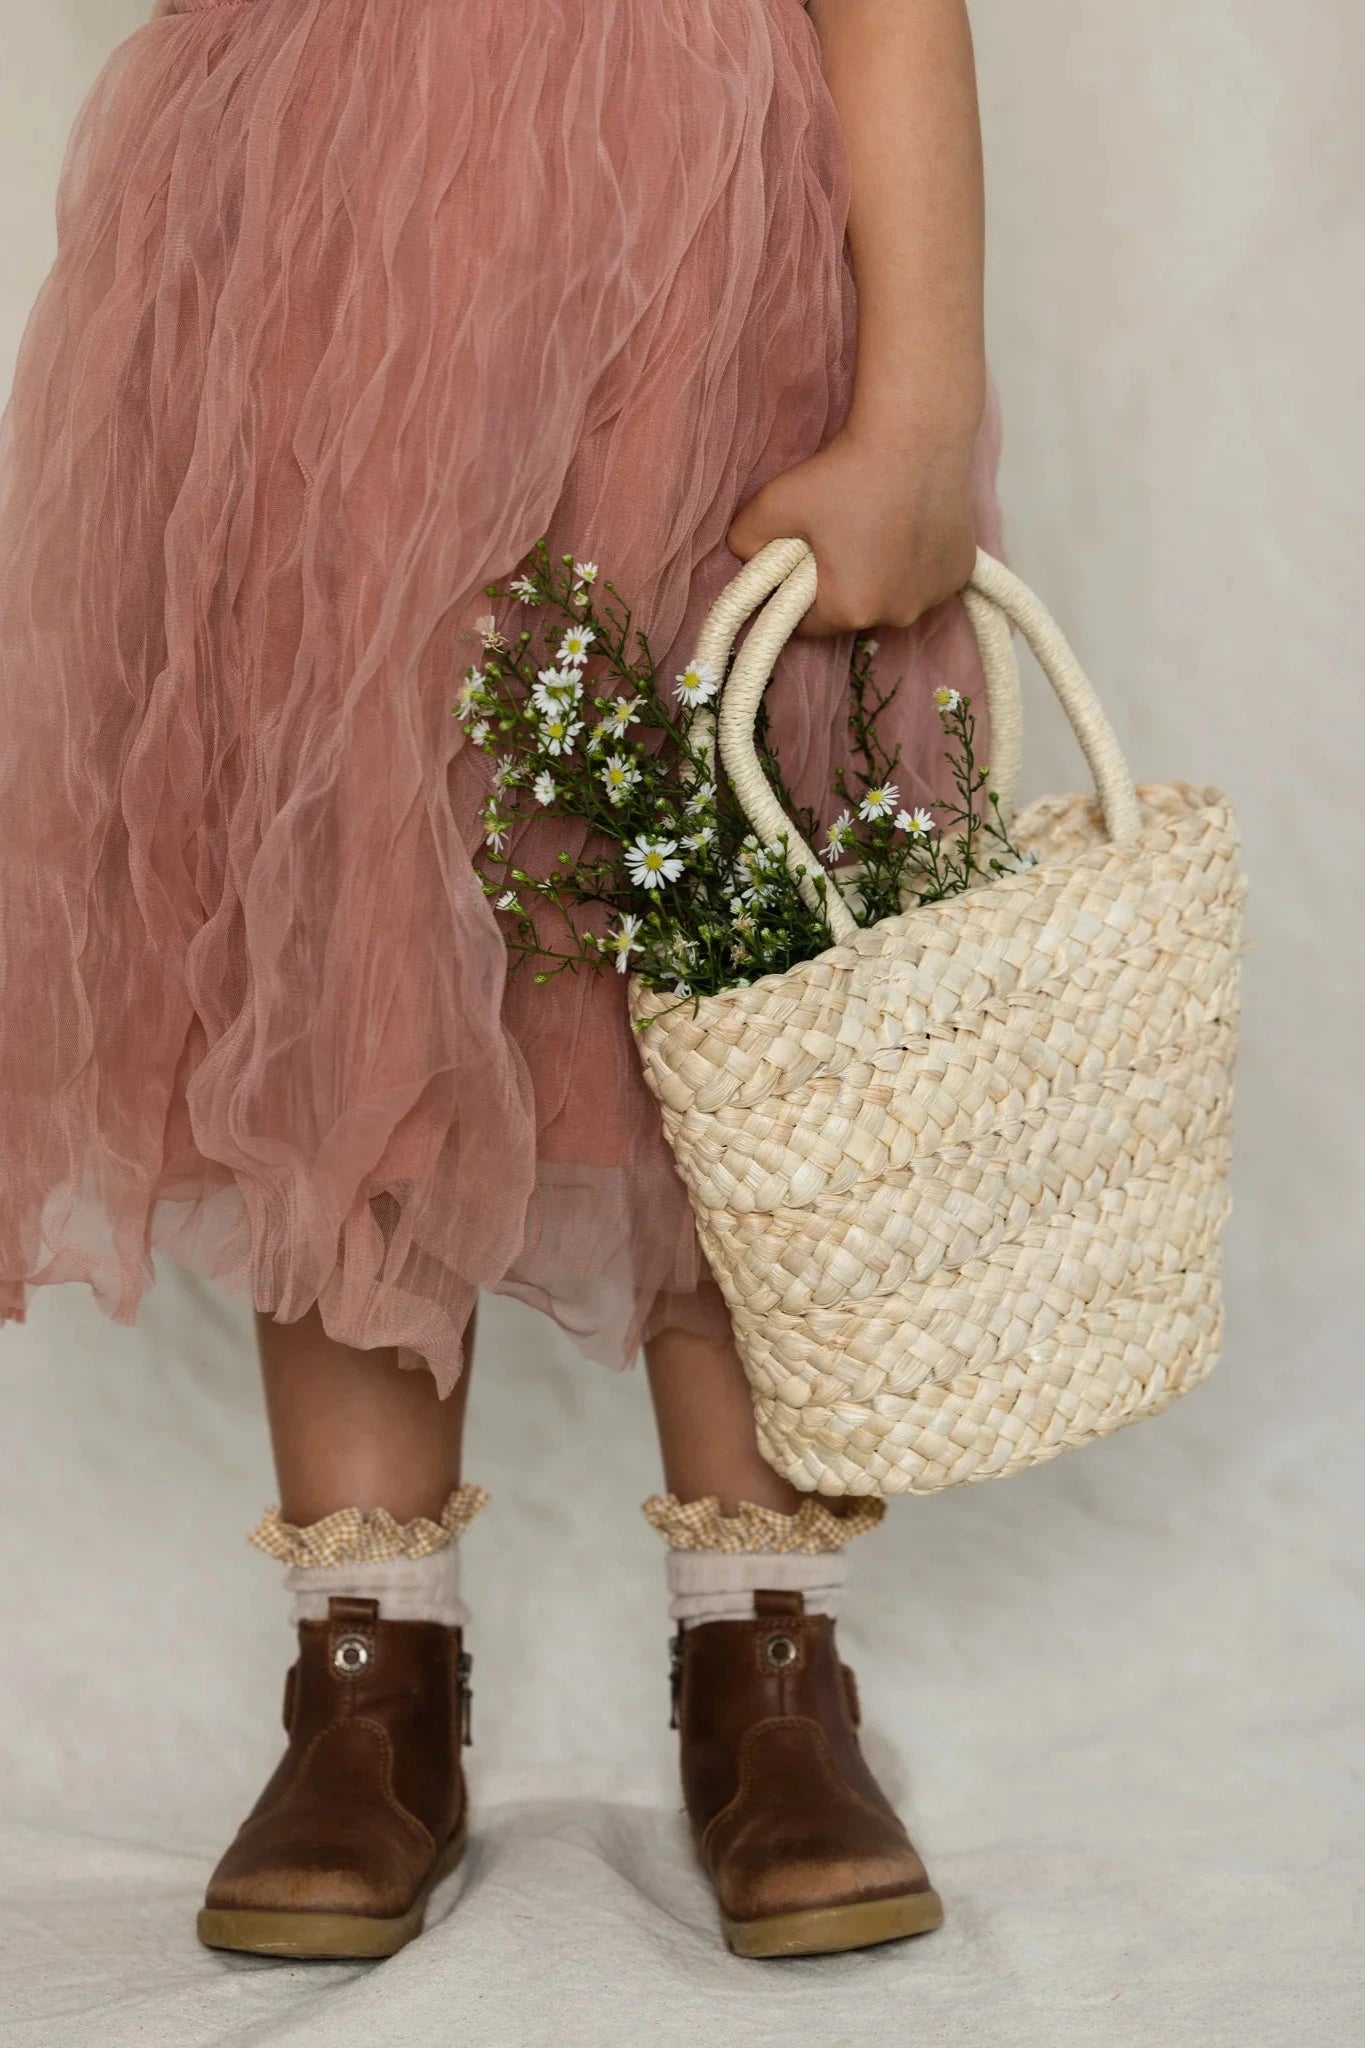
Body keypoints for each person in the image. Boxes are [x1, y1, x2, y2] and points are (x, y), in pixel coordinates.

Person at [0, 0, 999, 1961]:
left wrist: (919, 416)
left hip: (701, 283)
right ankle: (367, 1677)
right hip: (315, 238)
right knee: (348, 894)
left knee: (723, 921)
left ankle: (763, 1657)